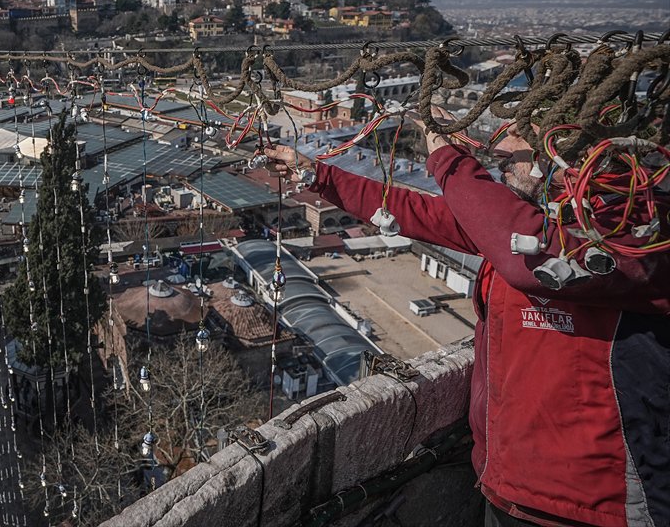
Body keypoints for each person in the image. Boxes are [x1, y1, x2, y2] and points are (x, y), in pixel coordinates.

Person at [265, 124, 669, 527]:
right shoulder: (534, 220)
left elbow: (529, 260)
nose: (499, 150)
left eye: (518, 137)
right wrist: (319, 175)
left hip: (598, 506)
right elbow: (417, 212)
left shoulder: (637, 234)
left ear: (566, 146)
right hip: (508, 485)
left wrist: (446, 157)